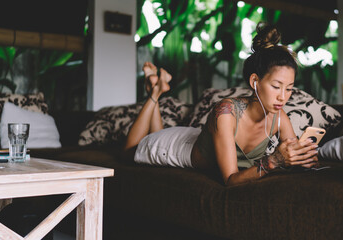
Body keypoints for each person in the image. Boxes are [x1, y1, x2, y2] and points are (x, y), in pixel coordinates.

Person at [123, 23, 319, 186]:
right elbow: (231, 180)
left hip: (195, 138)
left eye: (289, 88)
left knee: (157, 132)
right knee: (130, 150)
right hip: (173, 147)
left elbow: (292, 157)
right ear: (254, 82)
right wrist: (274, 160)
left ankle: (156, 88)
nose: (283, 97)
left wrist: (303, 158)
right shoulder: (226, 113)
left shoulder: (279, 117)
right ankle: (154, 94)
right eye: (276, 86)